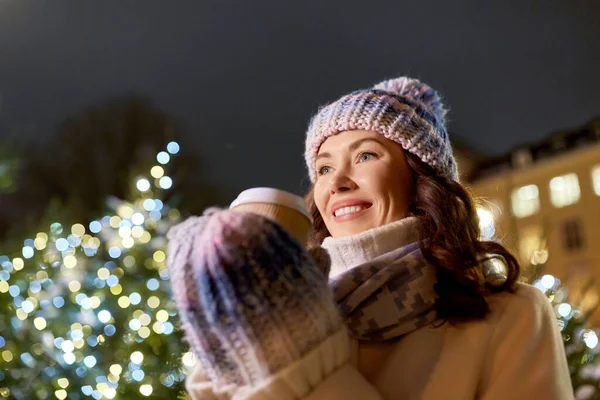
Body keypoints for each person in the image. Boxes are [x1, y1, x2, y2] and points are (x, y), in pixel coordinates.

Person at [168, 77, 573, 399]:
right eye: (324, 169)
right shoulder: (284, 305)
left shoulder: (511, 315)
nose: (337, 183)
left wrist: (303, 365)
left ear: (420, 178)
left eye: (365, 156)